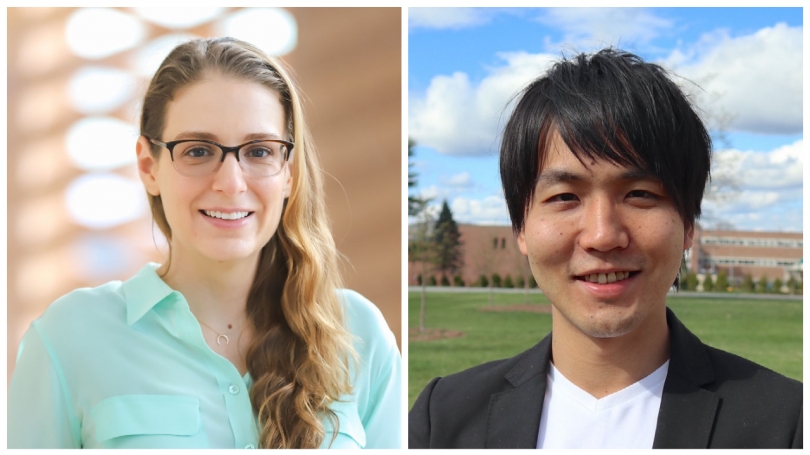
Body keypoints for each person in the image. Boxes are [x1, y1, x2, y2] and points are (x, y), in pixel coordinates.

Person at [8, 37, 401, 449]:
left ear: (288, 171)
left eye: (259, 151)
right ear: (148, 166)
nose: (231, 183)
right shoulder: (69, 337)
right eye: (198, 150)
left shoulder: (360, 334)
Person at [408, 48, 801, 449]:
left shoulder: (786, 424)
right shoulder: (443, 418)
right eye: (565, 197)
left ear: (687, 225)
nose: (602, 235)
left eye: (639, 194)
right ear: (520, 228)